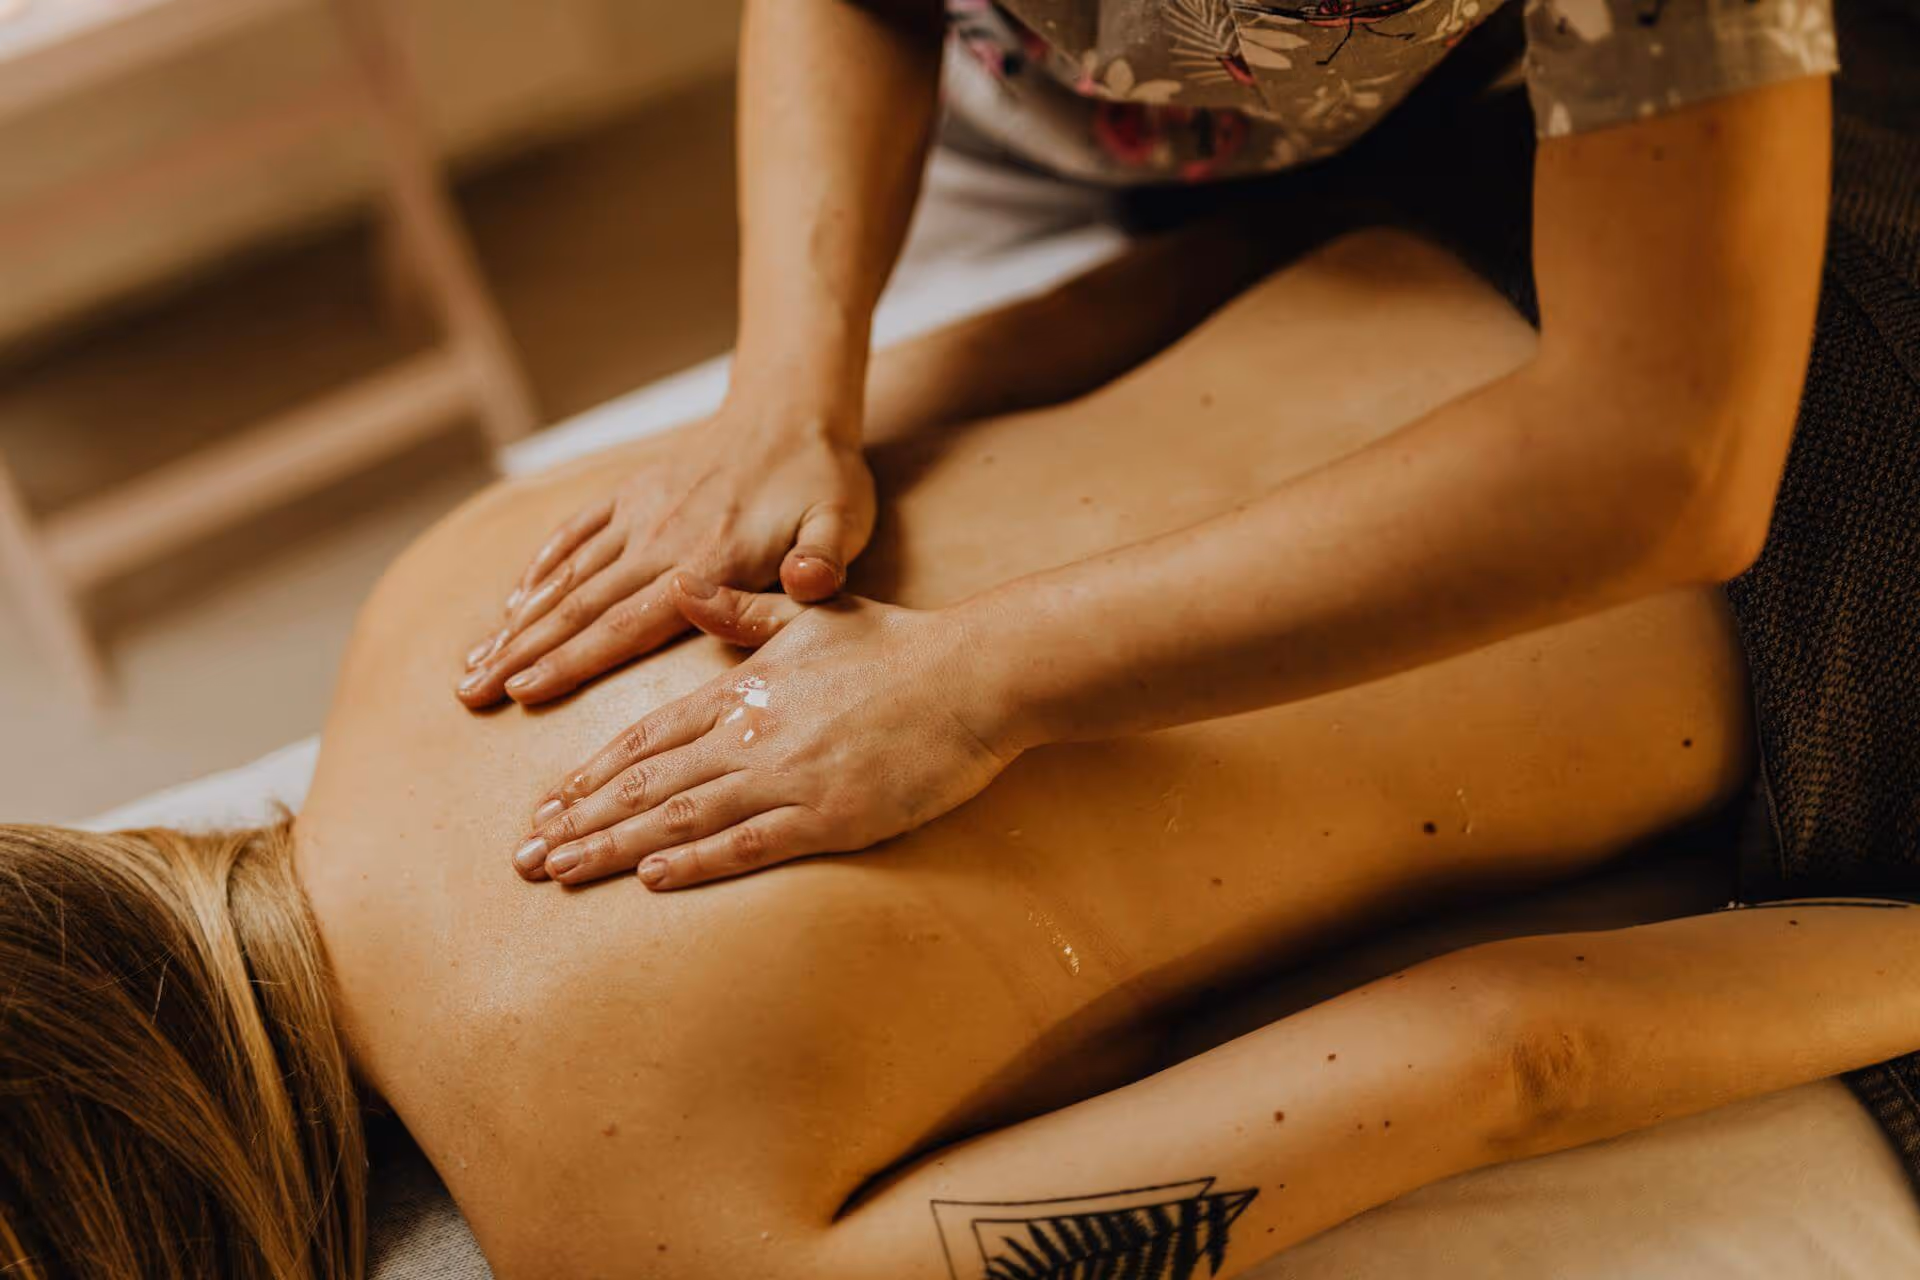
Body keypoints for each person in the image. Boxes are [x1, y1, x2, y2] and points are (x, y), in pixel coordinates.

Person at [10, 229, 1920, 1280]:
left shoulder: (650, 1245)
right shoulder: (441, 590)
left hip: (1830, 584)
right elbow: (1071, 320)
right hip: (1616, 265)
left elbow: (1515, 1051)